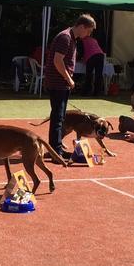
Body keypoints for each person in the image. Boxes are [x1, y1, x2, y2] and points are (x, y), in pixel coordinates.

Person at [43, 14, 96, 158]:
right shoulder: (65, 37)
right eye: (88, 31)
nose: (88, 34)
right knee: (58, 118)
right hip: (58, 83)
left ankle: (55, 148)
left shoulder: (71, 38)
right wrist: (69, 79)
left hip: (61, 83)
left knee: (59, 117)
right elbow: (57, 61)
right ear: (81, 26)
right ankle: (56, 152)